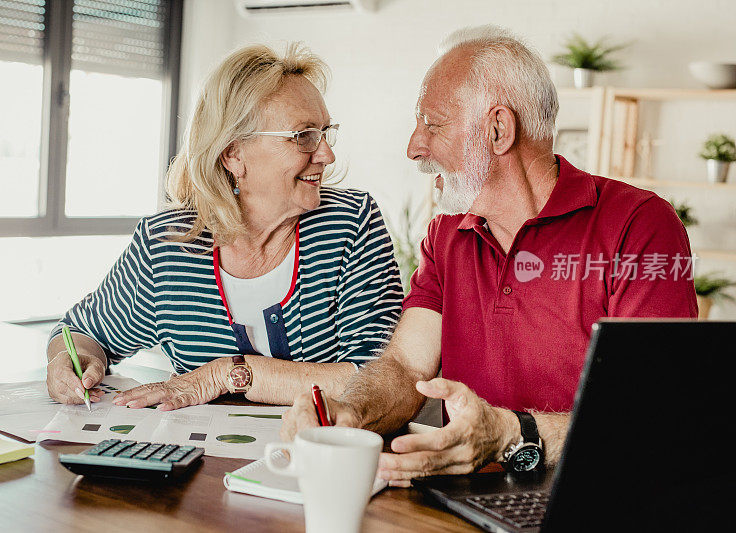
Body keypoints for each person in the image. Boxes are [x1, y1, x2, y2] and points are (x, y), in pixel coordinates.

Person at [280, 26, 697, 486]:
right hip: (462, 498)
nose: (414, 148)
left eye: (432, 124)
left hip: (595, 499)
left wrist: (509, 435)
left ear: (498, 130)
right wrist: (351, 413)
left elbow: (652, 416)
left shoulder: (639, 225)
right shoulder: (446, 234)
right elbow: (407, 365)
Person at [45, 43, 403, 410]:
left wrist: (223, 374)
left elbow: (377, 376)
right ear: (233, 153)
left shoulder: (351, 222)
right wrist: (72, 361)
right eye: (304, 136)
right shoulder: (166, 245)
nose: (327, 154)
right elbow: (80, 332)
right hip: (202, 463)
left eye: (325, 132)